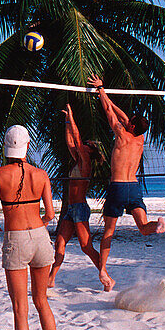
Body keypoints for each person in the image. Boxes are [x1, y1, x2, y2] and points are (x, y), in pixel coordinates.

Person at [0, 125, 62, 330]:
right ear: (28, 146)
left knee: (20, 308)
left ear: (7, 148)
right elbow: (51, 214)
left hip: (16, 238)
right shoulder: (41, 175)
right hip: (41, 237)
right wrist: (37, 222)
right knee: (42, 301)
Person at [89, 74, 165, 291]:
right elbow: (122, 117)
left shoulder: (122, 136)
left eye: (130, 121)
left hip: (118, 187)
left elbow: (110, 115)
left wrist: (101, 89)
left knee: (108, 232)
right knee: (143, 228)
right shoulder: (139, 138)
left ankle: (103, 270)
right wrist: (105, 95)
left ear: (130, 125)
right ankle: (158, 226)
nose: (127, 120)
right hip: (134, 187)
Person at [48, 104, 112, 291]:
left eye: (86, 145)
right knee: (60, 242)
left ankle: (106, 276)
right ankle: (51, 278)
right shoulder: (78, 159)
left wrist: (73, 115)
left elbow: (76, 139)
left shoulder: (85, 163)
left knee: (86, 247)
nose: (82, 145)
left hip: (80, 208)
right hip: (70, 209)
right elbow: (70, 141)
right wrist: (67, 119)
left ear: (89, 151)